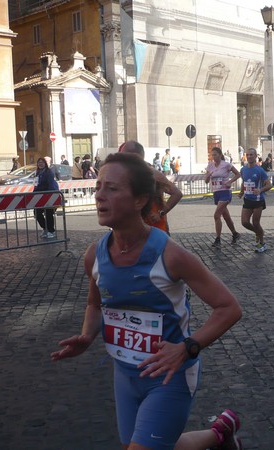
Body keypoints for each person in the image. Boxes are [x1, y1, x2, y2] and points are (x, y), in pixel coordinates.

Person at [50, 152, 243, 450]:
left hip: (170, 375)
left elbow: (229, 308)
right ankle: (219, 434)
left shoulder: (170, 255)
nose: (100, 196)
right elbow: (95, 303)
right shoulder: (94, 255)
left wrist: (187, 347)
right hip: (125, 375)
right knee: (145, 444)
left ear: (140, 200)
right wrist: (88, 334)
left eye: (112, 189)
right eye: (99, 187)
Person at [119, 140, 183, 234]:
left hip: (156, 231)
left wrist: (160, 213)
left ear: (136, 156)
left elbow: (177, 193)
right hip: (134, 231)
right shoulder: (124, 174)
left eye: (124, 156)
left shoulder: (152, 173)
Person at [205, 147, 241, 248]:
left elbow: (238, 174)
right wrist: (208, 176)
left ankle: (218, 239)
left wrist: (230, 181)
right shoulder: (210, 166)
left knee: (217, 215)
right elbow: (206, 181)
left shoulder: (226, 165)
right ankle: (235, 234)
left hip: (225, 192)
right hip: (216, 193)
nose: (213, 157)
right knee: (226, 216)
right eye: (212, 155)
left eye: (215, 154)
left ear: (220, 155)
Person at [237, 147, 271, 253]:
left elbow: (269, 185)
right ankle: (258, 232)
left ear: (256, 156)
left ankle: (262, 243)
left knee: (256, 222)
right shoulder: (243, 169)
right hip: (247, 199)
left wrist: (260, 190)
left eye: (251, 155)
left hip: (258, 201)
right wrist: (242, 192)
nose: (249, 157)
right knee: (244, 222)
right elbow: (244, 182)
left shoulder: (260, 170)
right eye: (248, 155)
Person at [33, 157, 59, 239]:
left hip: (48, 195)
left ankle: (51, 230)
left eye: (42, 162)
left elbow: (50, 185)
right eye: (39, 162)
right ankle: (45, 228)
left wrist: (50, 195)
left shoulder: (49, 172)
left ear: (45, 164)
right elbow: (36, 184)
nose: (40, 164)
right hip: (39, 195)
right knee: (37, 213)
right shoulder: (37, 173)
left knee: (49, 213)